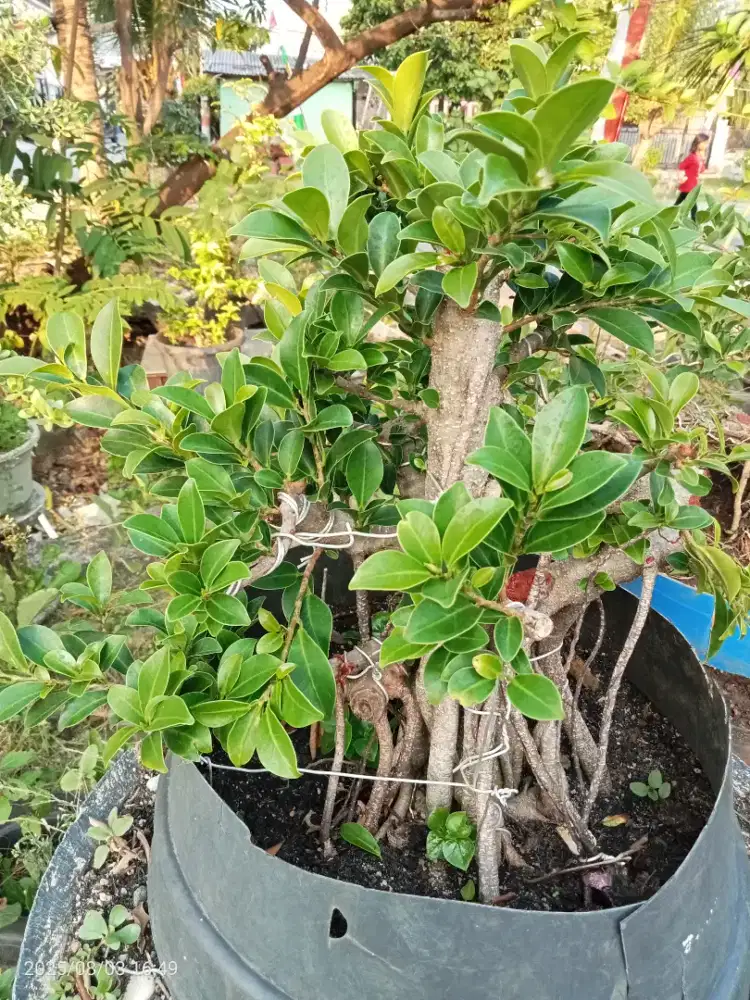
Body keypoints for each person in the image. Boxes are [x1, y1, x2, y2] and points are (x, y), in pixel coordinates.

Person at [675, 134, 709, 217]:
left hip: (693, 183)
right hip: (688, 184)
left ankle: (670, 213)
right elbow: (681, 166)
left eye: (706, 143)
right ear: (698, 143)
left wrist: (703, 159)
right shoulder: (692, 157)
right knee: (693, 205)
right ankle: (694, 222)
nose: (706, 145)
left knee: (680, 201)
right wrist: (682, 176)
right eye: (704, 143)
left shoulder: (699, 157)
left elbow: (702, 170)